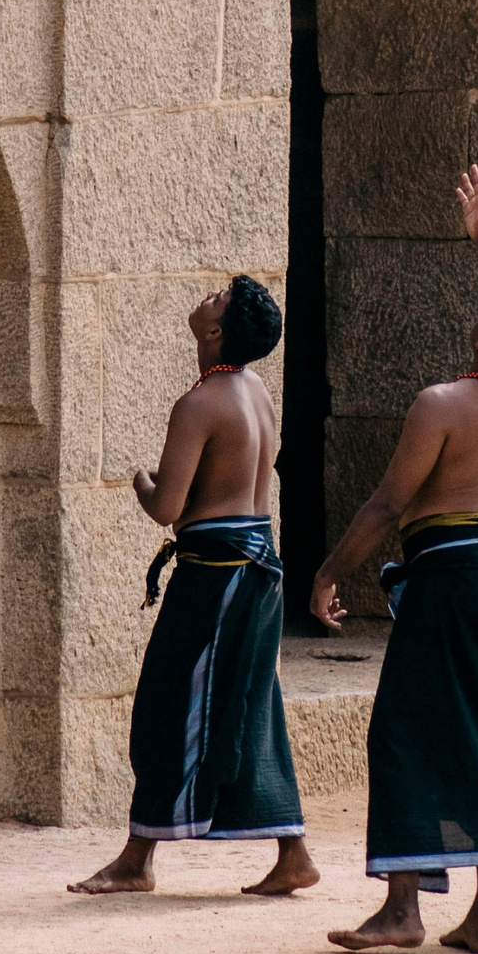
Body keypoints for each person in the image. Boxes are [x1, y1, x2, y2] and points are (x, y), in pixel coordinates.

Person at [311, 166, 478, 954]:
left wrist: (325, 574)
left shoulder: (443, 403)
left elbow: (387, 507)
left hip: (448, 583)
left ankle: (402, 910)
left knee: (406, 732)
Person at [71, 276, 319, 898]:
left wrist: (140, 481)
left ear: (215, 332)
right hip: (255, 569)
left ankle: (136, 860)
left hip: (216, 577)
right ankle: (293, 852)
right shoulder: (255, 390)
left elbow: (168, 507)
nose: (207, 297)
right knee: (251, 705)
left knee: (164, 704)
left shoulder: (200, 402)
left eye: (217, 299)